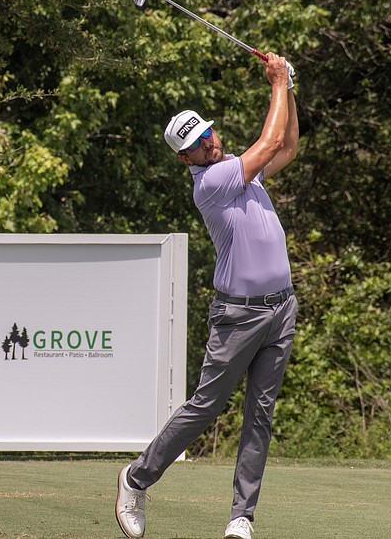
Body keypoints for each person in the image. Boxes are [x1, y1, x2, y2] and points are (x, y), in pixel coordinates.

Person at [115, 53, 299, 539]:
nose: (208, 144)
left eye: (208, 134)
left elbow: (289, 145)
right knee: (205, 407)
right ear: (185, 159)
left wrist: (290, 89)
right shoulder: (213, 182)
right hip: (238, 315)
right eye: (196, 144)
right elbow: (271, 140)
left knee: (260, 414)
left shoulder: (243, 169)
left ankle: (242, 517)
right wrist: (277, 83)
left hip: (281, 308)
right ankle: (136, 478)